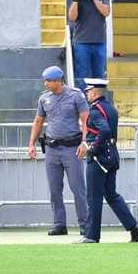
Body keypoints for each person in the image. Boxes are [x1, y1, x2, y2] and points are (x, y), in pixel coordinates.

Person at [81, 79, 138, 244]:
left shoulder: (95, 110)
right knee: (111, 195)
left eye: (89, 91)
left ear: (95, 92)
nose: (87, 94)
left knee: (94, 197)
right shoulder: (110, 108)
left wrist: (93, 148)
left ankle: (92, 235)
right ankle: (133, 227)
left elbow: (104, 130)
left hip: (99, 158)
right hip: (111, 156)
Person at [28, 66, 89, 237]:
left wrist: (85, 142)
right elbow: (38, 121)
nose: (45, 83)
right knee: (54, 189)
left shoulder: (76, 95)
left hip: (71, 147)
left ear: (58, 81)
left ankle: (85, 223)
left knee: (78, 188)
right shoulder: (44, 99)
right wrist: (31, 143)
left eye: (48, 80)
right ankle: (59, 223)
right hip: (51, 148)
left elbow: (86, 120)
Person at [68, 0, 111, 86]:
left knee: (99, 74)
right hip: (82, 42)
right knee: (82, 74)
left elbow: (106, 12)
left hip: (99, 42)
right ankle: (83, 101)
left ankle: (98, 101)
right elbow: (72, 17)